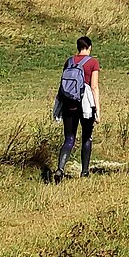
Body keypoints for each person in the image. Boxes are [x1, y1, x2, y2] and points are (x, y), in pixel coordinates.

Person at [52, 35, 101, 180]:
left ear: (78, 47)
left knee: (69, 138)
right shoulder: (93, 62)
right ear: (90, 47)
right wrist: (97, 110)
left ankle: (60, 169)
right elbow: (94, 87)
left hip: (68, 103)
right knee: (87, 137)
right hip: (85, 104)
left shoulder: (69, 61)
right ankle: (85, 172)